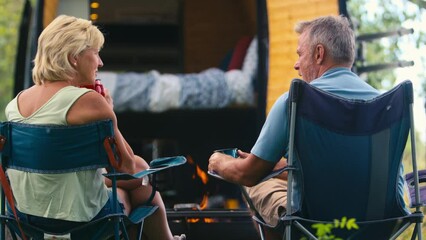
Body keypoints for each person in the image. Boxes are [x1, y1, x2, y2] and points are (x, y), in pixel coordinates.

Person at [208, 15, 394, 240]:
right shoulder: (386, 106)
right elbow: (341, 169)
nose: (296, 64)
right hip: (382, 224)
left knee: (256, 185)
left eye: (300, 54)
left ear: (318, 53)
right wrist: (279, 165)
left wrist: (220, 162)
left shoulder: (294, 102)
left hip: (313, 225)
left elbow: (248, 174)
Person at [5, 15, 184, 240]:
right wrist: (109, 111)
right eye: (95, 53)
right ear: (73, 58)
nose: (100, 62)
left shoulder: (15, 105)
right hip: (81, 221)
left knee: (125, 186)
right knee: (137, 190)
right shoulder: (88, 100)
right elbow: (128, 167)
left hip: (26, 217)